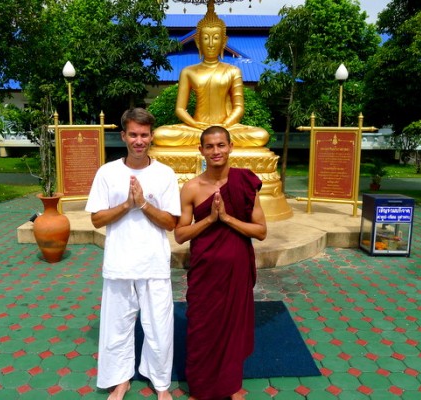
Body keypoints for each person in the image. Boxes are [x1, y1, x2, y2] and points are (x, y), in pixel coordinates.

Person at [85, 108, 180, 400]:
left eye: (144, 135)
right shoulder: (108, 172)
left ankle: (160, 382)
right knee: (116, 326)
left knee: (160, 326)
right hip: (119, 262)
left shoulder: (164, 173)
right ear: (124, 135)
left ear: (152, 136)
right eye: (133, 134)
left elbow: (171, 223)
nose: (139, 140)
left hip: (153, 263)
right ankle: (120, 379)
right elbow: (97, 219)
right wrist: (127, 205)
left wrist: (143, 205)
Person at [174, 126, 267, 399]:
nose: (216, 151)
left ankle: (232, 385)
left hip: (236, 270)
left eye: (221, 145)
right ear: (201, 150)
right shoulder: (191, 188)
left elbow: (260, 231)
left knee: (233, 328)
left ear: (231, 147)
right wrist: (210, 220)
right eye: (210, 146)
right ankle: (201, 388)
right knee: (201, 327)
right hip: (205, 272)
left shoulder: (245, 182)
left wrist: (226, 219)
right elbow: (180, 234)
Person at [152, 3, 269, 148]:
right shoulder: (188, 72)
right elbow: (180, 109)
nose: (211, 44)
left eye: (216, 38)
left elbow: (239, 108)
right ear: (198, 41)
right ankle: (215, 141)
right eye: (206, 38)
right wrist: (195, 124)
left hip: (227, 128)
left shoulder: (233, 71)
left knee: (260, 135)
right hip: (196, 128)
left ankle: (216, 139)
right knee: (160, 134)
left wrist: (223, 126)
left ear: (224, 41)